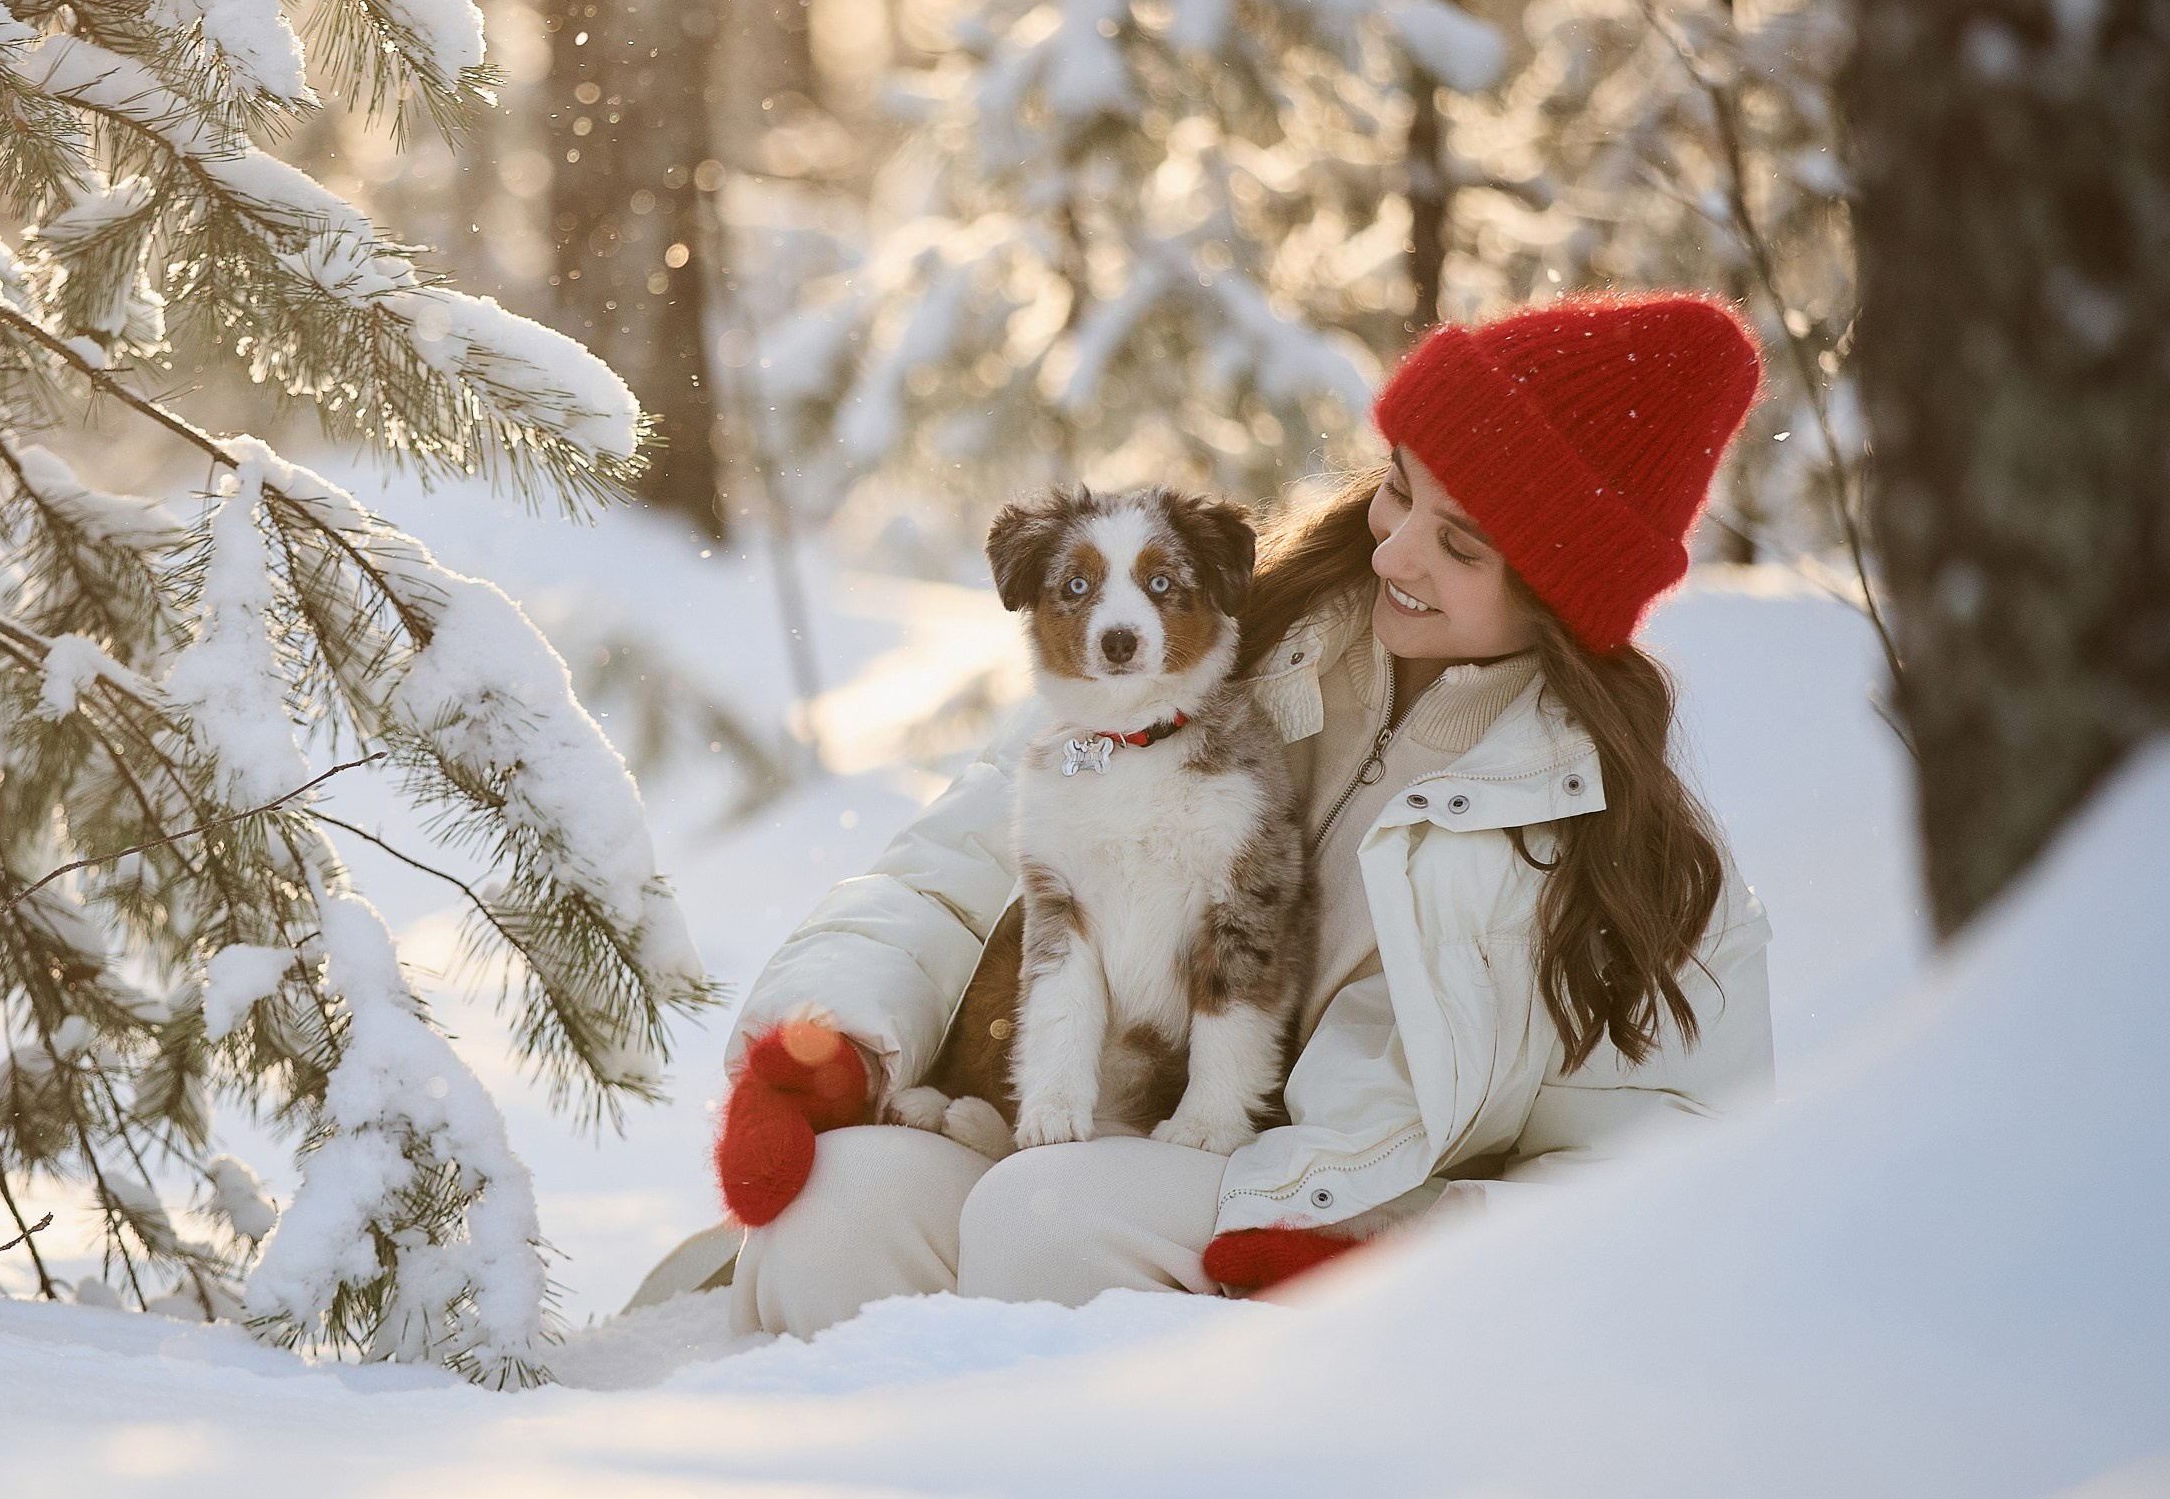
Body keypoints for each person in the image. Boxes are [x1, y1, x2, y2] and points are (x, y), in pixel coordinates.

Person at [715, 293, 1777, 1339]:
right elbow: (955, 863)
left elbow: (1663, 1171)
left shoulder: (1627, 848)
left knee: (1046, 1224)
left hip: (1313, 1217)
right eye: (1397, 491)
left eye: (1460, 545)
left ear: (1559, 588)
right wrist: (841, 1026)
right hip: (1091, 1104)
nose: (1394, 553)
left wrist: (1392, 1243)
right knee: (834, 1211)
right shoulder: (1222, 630)